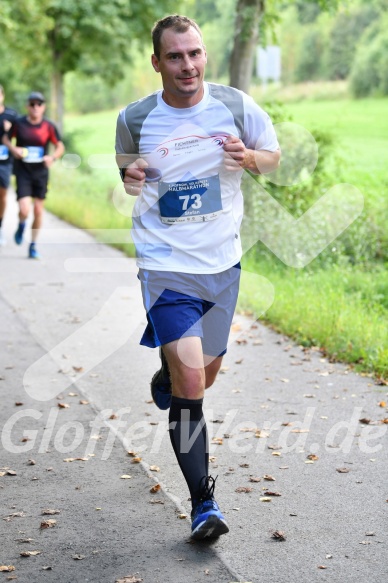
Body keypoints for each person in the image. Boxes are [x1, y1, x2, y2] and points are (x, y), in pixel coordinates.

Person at [115, 14, 280, 540]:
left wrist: (250, 157)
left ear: (203, 54)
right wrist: (131, 175)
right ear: (156, 62)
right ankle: (204, 503)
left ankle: (166, 374)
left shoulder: (234, 105)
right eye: (175, 56)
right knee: (193, 382)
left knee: (201, 377)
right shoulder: (136, 118)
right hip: (165, 264)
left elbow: (273, 160)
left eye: (195, 53)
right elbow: (126, 173)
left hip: (221, 264)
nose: (187, 65)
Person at [2, 91, 64, 258]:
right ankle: (21, 224)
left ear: (43, 107)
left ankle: (33, 245)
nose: (35, 107)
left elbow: (60, 146)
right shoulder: (19, 123)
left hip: (40, 173)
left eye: (39, 104)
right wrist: (14, 149)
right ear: (27, 106)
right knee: (24, 209)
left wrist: (52, 157)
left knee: (37, 210)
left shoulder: (48, 126)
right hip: (23, 171)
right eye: (32, 104)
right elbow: (6, 139)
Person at [0, 84, 18, 246]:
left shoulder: (11, 115)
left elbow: (22, 134)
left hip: (4, 162)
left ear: (2, 96)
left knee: (2, 195)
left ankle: (0, 226)